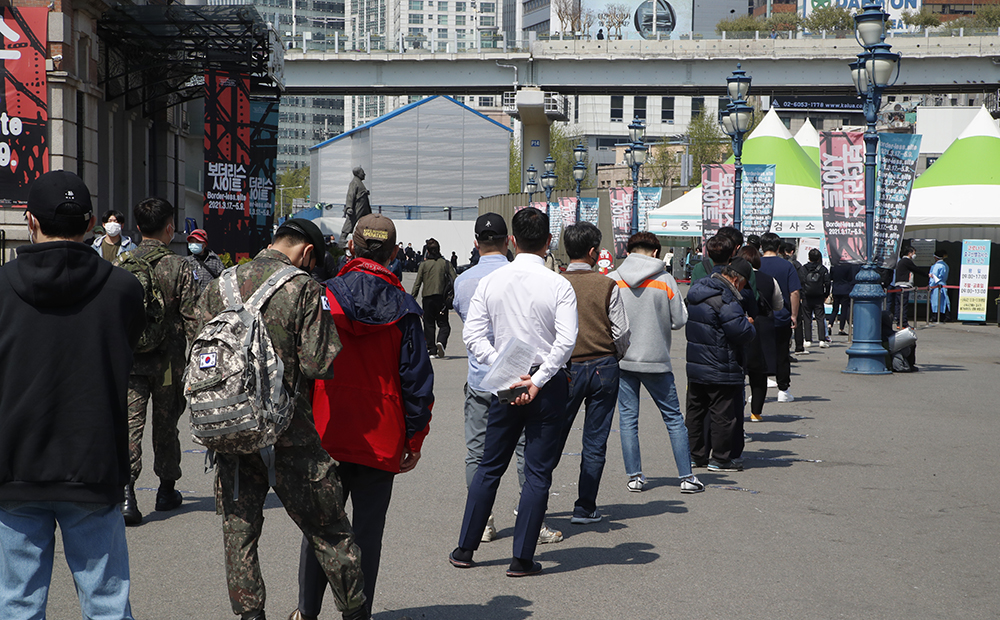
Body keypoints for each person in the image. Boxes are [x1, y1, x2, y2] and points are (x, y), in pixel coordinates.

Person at [193, 218, 369, 620]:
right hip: (291, 432)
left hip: (232, 425)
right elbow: (317, 363)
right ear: (307, 252)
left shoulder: (221, 283)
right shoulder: (304, 288)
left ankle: (251, 615)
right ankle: (355, 612)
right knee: (329, 529)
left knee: (239, 531)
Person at [0, 170, 145, 620]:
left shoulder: (1, 286)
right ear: (91, 224)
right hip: (94, 462)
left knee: (17, 604)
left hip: (14, 462)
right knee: (106, 605)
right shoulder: (123, 289)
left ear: (30, 220)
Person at [292, 215, 433, 620]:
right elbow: (417, 385)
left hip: (326, 431)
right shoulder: (405, 310)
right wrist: (414, 440)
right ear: (394, 253)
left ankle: (306, 611)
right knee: (368, 535)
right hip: (381, 438)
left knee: (321, 530)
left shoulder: (323, 297)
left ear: (350, 247)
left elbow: (300, 369)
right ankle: (359, 613)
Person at [450, 207, 578, 578]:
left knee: (490, 465)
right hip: (547, 384)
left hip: (505, 381)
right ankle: (522, 558)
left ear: (512, 241)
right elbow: (567, 340)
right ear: (548, 242)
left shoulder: (492, 281)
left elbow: (473, 336)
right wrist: (537, 380)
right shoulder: (558, 284)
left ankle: (465, 549)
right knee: (537, 471)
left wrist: (504, 369)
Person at [121, 197, 200, 525]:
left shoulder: (124, 264)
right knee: (166, 426)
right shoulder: (180, 266)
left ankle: (127, 496)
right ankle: (166, 490)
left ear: (139, 228)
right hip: (168, 362)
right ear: (170, 228)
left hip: (131, 361)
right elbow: (193, 318)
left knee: (130, 426)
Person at [608, 232, 704, 493]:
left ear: (629, 251)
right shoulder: (665, 279)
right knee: (673, 418)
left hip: (623, 360)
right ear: (655, 252)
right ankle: (686, 477)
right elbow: (679, 320)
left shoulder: (613, 279)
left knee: (628, 419)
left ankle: (635, 477)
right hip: (657, 360)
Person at [556, 222, 633, 523]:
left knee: (552, 435)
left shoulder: (557, 282)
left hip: (566, 367)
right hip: (604, 366)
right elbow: (621, 331)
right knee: (595, 440)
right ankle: (585, 506)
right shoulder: (606, 285)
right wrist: (615, 355)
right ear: (592, 252)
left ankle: (535, 496)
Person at [684, 257, 756, 472]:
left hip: (696, 361)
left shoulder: (697, 291)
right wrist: (749, 324)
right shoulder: (726, 299)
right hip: (721, 363)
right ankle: (721, 458)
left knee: (696, 411)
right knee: (723, 413)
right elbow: (740, 331)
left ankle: (695, 455)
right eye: (743, 285)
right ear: (736, 280)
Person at [738, 245, 782, 423]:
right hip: (763, 327)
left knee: (739, 372)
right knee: (759, 373)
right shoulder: (769, 279)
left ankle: (736, 410)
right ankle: (756, 412)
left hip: (740, 326)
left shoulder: (736, 279)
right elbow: (778, 304)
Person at [758, 232, 800, 403]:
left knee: (759, 354)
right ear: (778, 247)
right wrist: (794, 315)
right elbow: (794, 292)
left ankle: (758, 390)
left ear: (761, 247)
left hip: (759, 316)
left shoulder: (755, 265)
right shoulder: (787, 266)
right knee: (782, 354)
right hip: (782, 315)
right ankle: (783, 389)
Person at [411, 238, 457, 358]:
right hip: (442, 299)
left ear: (427, 251)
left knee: (428, 324)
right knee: (444, 324)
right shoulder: (446, 263)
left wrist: (412, 298)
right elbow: (455, 280)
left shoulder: (423, 265)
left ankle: (432, 350)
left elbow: (417, 283)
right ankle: (441, 341)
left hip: (427, 298)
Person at [800, 248, 831, 348]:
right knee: (820, 318)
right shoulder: (822, 269)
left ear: (809, 257)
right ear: (819, 258)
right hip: (819, 296)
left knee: (807, 318)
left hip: (806, 296)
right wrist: (825, 295)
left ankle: (808, 340)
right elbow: (827, 283)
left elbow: (801, 282)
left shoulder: (804, 268)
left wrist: (801, 295)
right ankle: (822, 340)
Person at [890, 246, 927, 328]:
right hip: (904, 285)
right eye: (914, 253)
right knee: (903, 305)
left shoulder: (901, 261)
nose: (914, 255)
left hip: (898, 285)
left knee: (898, 305)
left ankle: (899, 323)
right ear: (910, 253)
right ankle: (903, 323)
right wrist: (927, 275)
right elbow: (916, 269)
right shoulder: (907, 261)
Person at [183, 228, 224, 293]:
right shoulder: (186, 261)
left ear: (204, 244)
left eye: (198, 241)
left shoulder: (215, 260)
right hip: (193, 298)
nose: (194, 244)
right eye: (192, 241)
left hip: (210, 297)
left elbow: (223, 279)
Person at [340, 166, 370, 246]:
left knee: (367, 222)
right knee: (351, 220)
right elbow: (350, 195)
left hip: (364, 207)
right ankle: (342, 238)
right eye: (362, 172)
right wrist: (349, 207)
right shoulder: (354, 182)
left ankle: (365, 238)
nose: (364, 174)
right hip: (357, 207)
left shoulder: (359, 182)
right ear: (358, 173)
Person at [829, 261, 859, 336]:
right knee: (844, 310)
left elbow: (831, 277)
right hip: (845, 289)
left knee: (835, 309)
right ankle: (841, 329)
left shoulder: (834, 267)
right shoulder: (848, 267)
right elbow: (850, 278)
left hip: (836, 289)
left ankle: (830, 325)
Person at [929, 250, 950, 321]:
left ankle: (935, 317)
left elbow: (934, 277)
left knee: (936, 302)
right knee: (943, 302)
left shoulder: (937, 266)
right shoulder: (945, 265)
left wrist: (930, 286)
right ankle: (945, 316)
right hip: (943, 285)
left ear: (935, 257)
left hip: (936, 286)